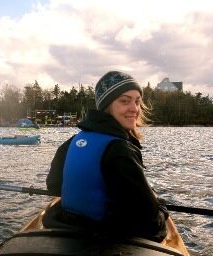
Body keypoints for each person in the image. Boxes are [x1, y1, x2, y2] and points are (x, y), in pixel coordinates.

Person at [43, 71, 169, 242]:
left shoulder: (73, 141)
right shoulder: (119, 149)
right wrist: (160, 205)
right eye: (125, 101)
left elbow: (54, 187)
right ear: (107, 105)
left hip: (67, 227)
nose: (135, 109)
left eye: (138, 101)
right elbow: (150, 222)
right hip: (103, 237)